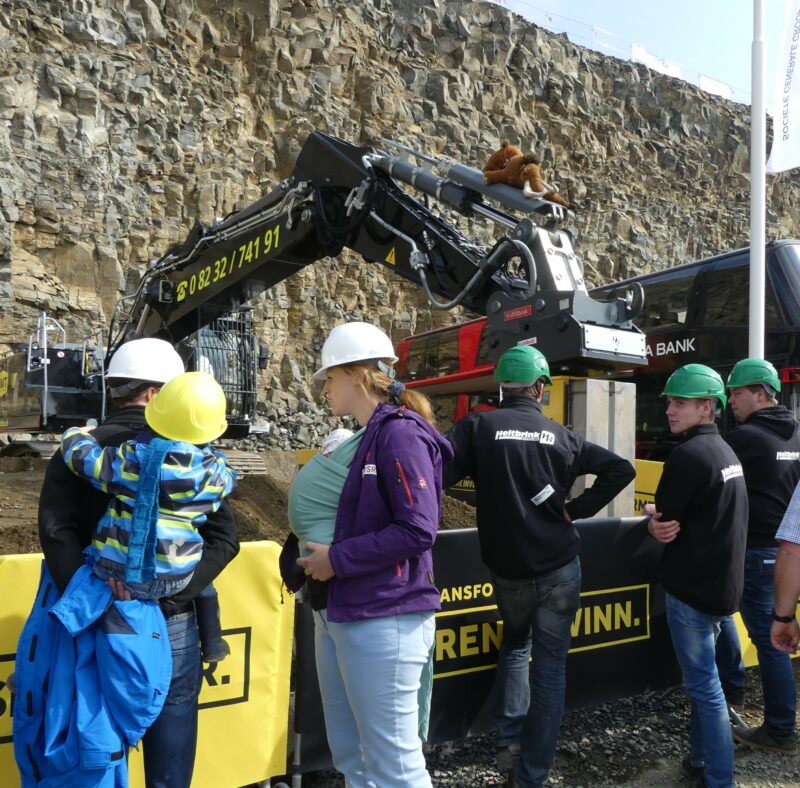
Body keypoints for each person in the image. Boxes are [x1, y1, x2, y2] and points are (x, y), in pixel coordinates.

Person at [37, 337, 240, 788]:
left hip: (94, 616)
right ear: (157, 394)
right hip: (171, 621)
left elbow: (56, 532)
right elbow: (225, 540)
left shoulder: (97, 450)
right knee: (170, 750)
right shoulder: (200, 460)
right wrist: (172, 594)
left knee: (94, 748)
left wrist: (96, 597)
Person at [443, 345, 636, 788]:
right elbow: (620, 470)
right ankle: (532, 775)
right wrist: (576, 508)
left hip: (509, 571)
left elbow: (434, 476)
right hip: (560, 567)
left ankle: (511, 744)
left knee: (515, 646)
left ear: (503, 387)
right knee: (550, 670)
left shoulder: (479, 426)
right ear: (539, 387)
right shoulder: (561, 436)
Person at [282, 321, 452, 788]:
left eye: (329, 379)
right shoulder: (370, 436)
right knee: (354, 757)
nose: (324, 390)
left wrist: (337, 559)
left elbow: (418, 528)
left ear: (356, 375)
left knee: (395, 766)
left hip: (382, 614)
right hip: (345, 610)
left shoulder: (399, 435)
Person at [60, 370, 236, 660]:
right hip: (178, 577)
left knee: (90, 568)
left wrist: (75, 435)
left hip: (123, 577)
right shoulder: (215, 474)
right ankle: (213, 639)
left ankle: (64, 635)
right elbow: (228, 485)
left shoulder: (136, 459)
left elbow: (89, 463)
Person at [646, 363, 748, 788]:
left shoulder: (687, 456)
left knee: (706, 691)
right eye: (670, 401)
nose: (671, 410)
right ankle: (700, 760)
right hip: (722, 589)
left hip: (692, 591)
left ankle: (718, 779)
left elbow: (667, 520)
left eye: (681, 402)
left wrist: (652, 520)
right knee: (713, 686)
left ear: (707, 407)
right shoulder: (726, 452)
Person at [716, 358, 799, 754]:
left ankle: (780, 729)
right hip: (788, 554)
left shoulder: (744, 439)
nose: (731, 400)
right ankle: (735, 695)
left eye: (737, 392)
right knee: (771, 634)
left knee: (770, 641)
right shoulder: (797, 434)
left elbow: (713, 483)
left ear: (761, 394)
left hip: (755, 550)